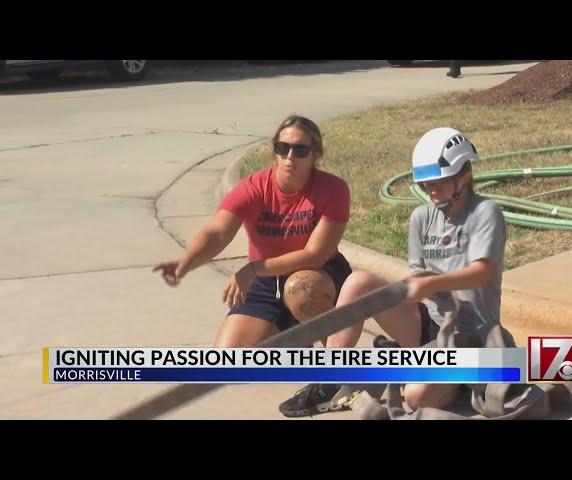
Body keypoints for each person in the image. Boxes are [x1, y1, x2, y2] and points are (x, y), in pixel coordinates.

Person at [279, 127, 507, 417]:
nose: (431, 192)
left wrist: (434, 282)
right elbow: (418, 276)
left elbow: (482, 272)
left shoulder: (487, 213)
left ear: (465, 174)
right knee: (359, 282)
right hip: (428, 326)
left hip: (472, 336)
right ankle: (333, 379)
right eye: (425, 185)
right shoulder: (422, 217)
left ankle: (453, 380)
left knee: (415, 396)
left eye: (438, 183)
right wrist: (409, 286)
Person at [153, 115, 352, 348]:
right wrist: (185, 264)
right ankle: (294, 331)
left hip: (318, 276)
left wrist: (254, 269)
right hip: (267, 281)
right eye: (283, 147)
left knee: (300, 290)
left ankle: (339, 366)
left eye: (300, 150)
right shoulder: (254, 187)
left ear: (315, 154)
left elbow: (315, 254)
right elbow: (217, 232)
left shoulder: (333, 189)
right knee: (228, 360)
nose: (289, 157)